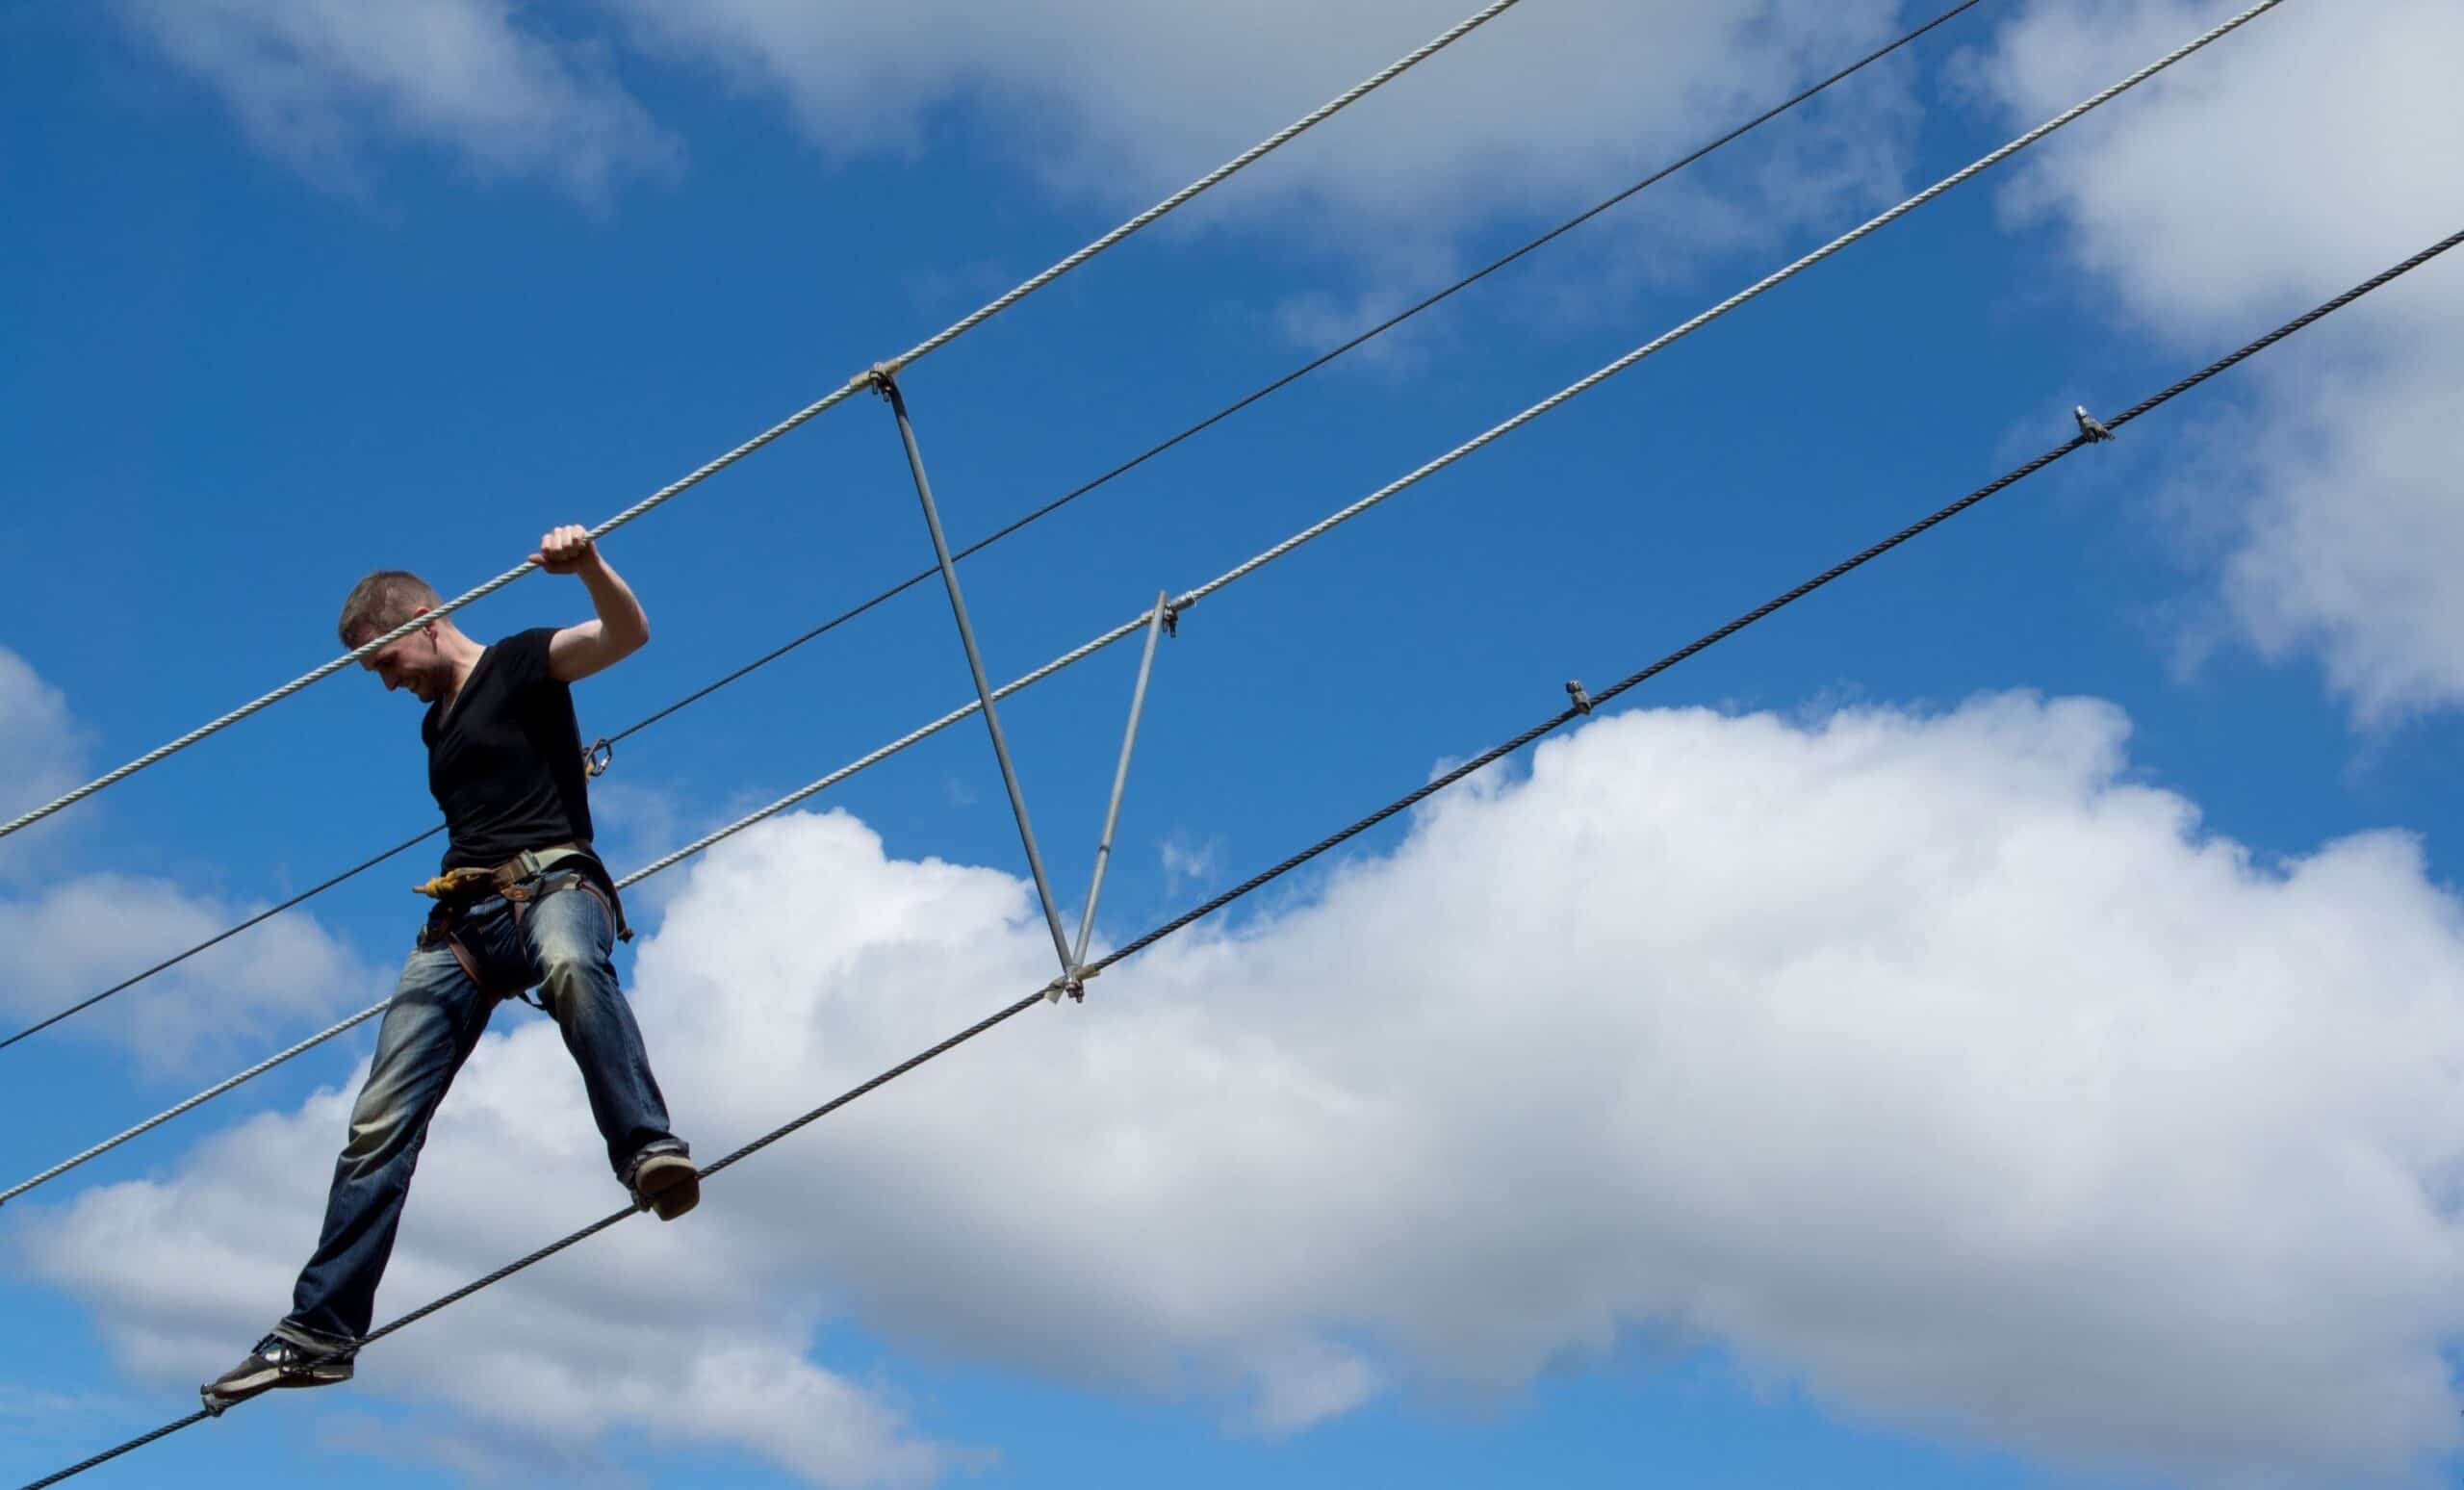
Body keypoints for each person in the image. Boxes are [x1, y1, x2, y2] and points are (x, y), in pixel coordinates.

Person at [202, 526, 697, 1413]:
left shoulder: (519, 662)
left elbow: (626, 637)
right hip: (461, 926)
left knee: (574, 968)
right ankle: (320, 1332)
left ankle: (647, 1148)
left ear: (425, 623)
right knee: (376, 1120)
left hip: (552, 886)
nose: (387, 684)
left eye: (384, 662)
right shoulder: (436, 725)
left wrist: (588, 569)